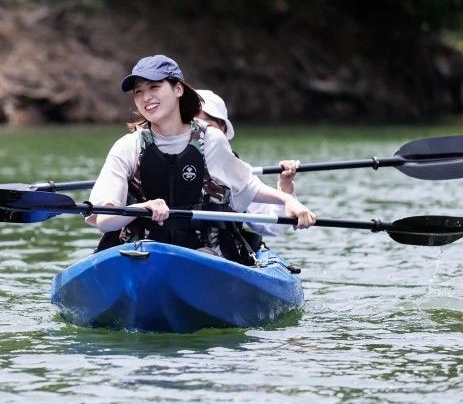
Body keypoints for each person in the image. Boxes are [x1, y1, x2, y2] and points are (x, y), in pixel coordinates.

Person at [87, 54, 316, 264]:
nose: (146, 97)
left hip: (206, 258)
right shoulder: (128, 146)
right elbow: (105, 221)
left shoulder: (211, 140)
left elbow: (249, 187)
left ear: (178, 89)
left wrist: (288, 200)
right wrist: (141, 207)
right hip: (142, 257)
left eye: (154, 87)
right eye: (138, 91)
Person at [196, 88, 298, 237]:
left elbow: (273, 227)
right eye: (191, 123)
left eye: (206, 124)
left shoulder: (237, 171)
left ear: (222, 129)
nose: (199, 130)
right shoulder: (159, 156)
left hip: (218, 251)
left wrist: (285, 187)